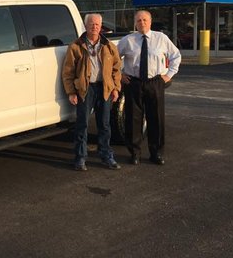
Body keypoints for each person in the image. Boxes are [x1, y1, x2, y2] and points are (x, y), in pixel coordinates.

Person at [117, 10, 181, 165]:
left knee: (156, 119)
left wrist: (168, 75)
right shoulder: (128, 40)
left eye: (145, 20)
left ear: (150, 22)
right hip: (134, 83)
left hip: (155, 83)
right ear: (135, 23)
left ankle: (156, 153)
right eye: (138, 20)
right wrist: (120, 75)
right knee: (133, 119)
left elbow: (176, 56)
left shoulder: (161, 38)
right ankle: (135, 153)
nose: (142, 23)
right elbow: (113, 59)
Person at [62, 13, 122, 171]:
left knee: (104, 124)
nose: (94, 27)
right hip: (85, 89)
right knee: (82, 125)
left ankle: (106, 155)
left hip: (104, 89)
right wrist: (71, 92)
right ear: (85, 25)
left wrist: (116, 87)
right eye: (91, 24)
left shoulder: (109, 46)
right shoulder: (75, 46)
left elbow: (116, 68)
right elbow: (68, 72)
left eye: (97, 24)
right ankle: (80, 158)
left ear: (101, 27)